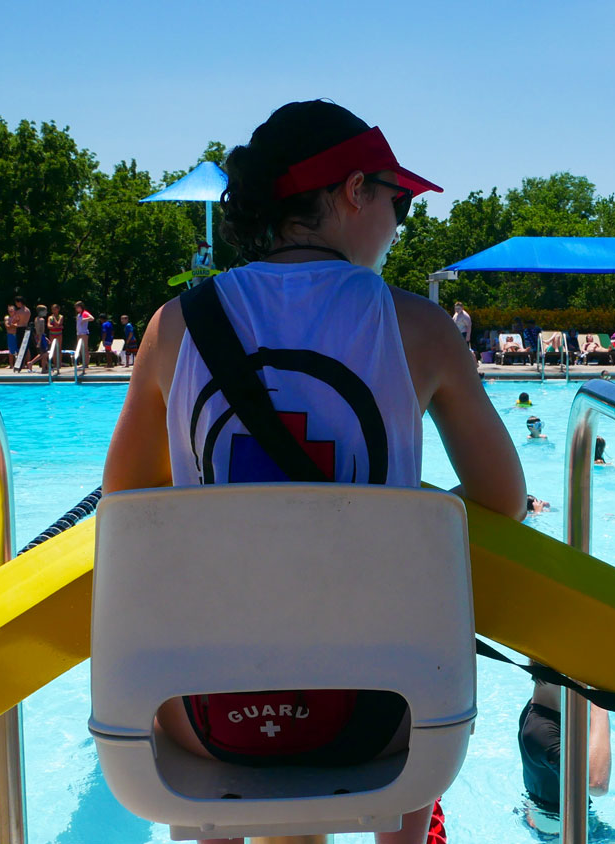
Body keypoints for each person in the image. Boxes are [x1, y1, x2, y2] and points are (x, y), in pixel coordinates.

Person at [100, 100, 525, 844]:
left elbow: (126, 510)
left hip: (210, 722)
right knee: (411, 650)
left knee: (214, 653)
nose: (399, 224)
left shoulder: (176, 325)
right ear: (353, 191)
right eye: (400, 203)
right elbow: (503, 502)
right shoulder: (418, 328)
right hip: (386, 721)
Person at [518, 673, 611, 836]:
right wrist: (600, 705)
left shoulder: (544, 707)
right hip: (558, 830)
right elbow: (596, 784)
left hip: (552, 816)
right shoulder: (542, 732)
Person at [7, 296, 31, 368]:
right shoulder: (28, 311)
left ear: (19, 302)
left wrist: (13, 323)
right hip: (26, 328)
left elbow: (14, 321)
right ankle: (28, 362)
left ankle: (22, 363)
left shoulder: (19, 312)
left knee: (20, 347)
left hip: (20, 328)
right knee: (26, 346)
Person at [73, 300, 93, 373]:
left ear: (80, 307)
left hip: (84, 333)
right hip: (79, 333)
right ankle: (83, 362)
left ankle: (86, 363)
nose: (76, 309)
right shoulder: (79, 314)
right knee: (81, 348)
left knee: (85, 348)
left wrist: (85, 319)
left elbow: (92, 318)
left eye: (77, 307)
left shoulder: (84, 313)